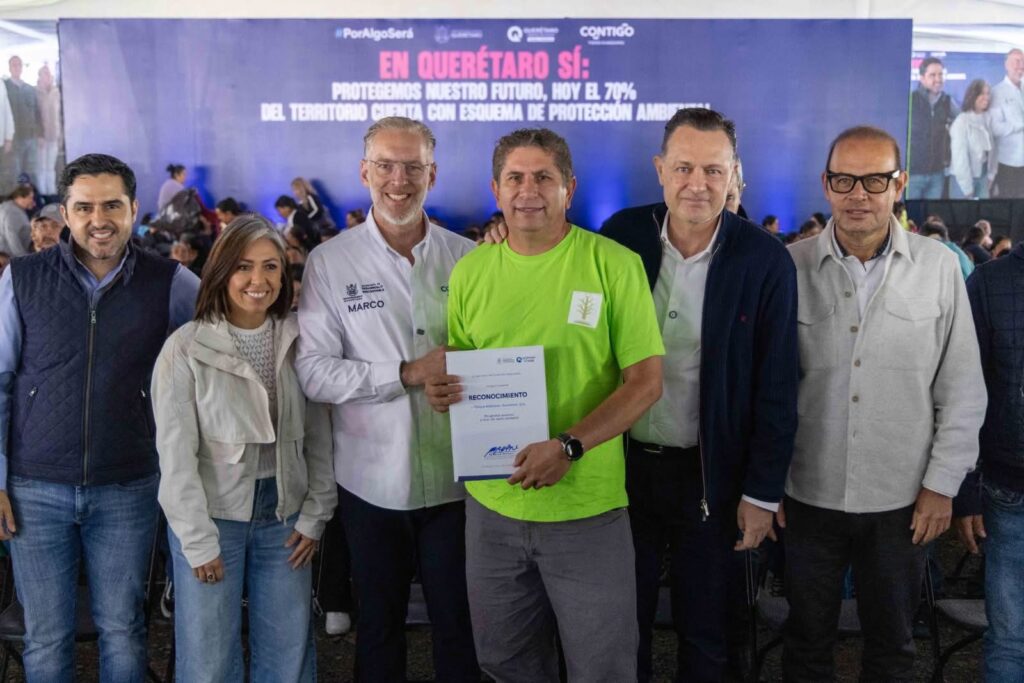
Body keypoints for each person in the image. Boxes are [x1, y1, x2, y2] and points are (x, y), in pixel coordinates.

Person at [427, 128, 664, 682]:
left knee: (602, 669)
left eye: (543, 177)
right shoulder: (471, 272)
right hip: (492, 509)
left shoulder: (614, 265)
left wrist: (569, 446)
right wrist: (445, 390)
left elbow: (646, 384)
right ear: (496, 189)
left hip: (586, 513)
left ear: (569, 188)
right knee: (505, 664)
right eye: (515, 178)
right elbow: (465, 369)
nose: (528, 190)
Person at [780, 126, 986, 681]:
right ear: (826, 184)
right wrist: (766, 481)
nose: (858, 194)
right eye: (844, 179)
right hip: (807, 495)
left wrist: (942, 485)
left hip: (903, 500)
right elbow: (768, 389)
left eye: (875, 180)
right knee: (804, 645)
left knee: (893, 647)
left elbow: (962, 388)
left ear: (900, 184)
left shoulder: (938, 267)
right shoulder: (790, 267)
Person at [600, 107, 799, 682]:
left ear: (734, 174)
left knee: (710, 633)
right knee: (618, 626)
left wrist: (762, 493)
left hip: (713, 478)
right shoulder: (620, 237)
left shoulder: (764, 260)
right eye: (684, 167)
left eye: (714, 170)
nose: (698, 183)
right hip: (619, 471)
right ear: (660, 169)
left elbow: (777, 387)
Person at [0, 153, 200, 680]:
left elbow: (217, 352)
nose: (99, 219)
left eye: (112, 205)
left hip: (129, 483)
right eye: (84, 207)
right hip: (34, 487)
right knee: (46, 639)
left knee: (124, 631)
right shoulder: (22, 278)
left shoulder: (171, 281)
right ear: (65, 213)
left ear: (134, 209)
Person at [296, 116, 480, 682]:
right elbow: (314, 374)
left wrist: (471, 378)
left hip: (458, 482)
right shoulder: (330, 262)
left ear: (433, 174)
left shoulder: (470, 258)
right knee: (378, 629)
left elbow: (493, 356)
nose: (398, 180)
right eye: (385, 166)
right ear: (364, 172)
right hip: (371, 483)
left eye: (412, 167)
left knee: (462, 628)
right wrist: (406, 374)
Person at [152, 216, 335, 682]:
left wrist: (315, 515)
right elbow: (175, 458)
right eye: (244, 266)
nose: (259, 279)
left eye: (271, 266)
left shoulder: (301, 339)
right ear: (221, 271)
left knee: (288, 654)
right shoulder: (185, 348)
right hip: (212, 518)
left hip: (286, 516)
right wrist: (197, 541)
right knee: (209, 659)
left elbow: (319, 436)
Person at [954, 241, 1024, 682]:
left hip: (1006, 478)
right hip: (1009, 487)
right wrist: (966, 491)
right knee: (1010, 639)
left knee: (1009, 640)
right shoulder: (989, 282)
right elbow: (963, 391)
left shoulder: (989, 281)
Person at [907, 57, 955, 199]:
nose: (938, 79)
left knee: (932, 212)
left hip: (937, 174)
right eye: (932, 75)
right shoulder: (911, 100)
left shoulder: (947, 102)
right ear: (922, 78)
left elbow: (963, 123)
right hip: (913, 174)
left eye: (940, 74)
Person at [949, 79, 994, 199]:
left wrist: (990, 175)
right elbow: (960, 159)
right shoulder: (961, 121)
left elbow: (992, 151)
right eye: (982, 93)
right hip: (962, 182)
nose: (986, 97)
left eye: (988, 93)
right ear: (973, 95)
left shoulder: (988, 119)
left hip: (982, 178)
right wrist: (967, 188)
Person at [990, 49, 1024, 197]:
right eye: (1017, 61)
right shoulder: (997, 92)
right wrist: (1019, 125)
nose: (1021, 65)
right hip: (1008, 163)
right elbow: (995, 128)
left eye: (1023, 61)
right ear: (1006, 65)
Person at [4, 56, 40, 188]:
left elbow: (36, 112)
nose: (17, 67)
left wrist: (39, 134)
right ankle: (19, 197)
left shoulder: (29, 88)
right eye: (14, 65)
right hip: (14, 139)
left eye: (19, 65)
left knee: (31, 171)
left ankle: (32, 197)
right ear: (9, 68)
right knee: (16, 172)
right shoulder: (5, 88)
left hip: (31, 137)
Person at [34, 65, 60, 198]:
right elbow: (34, 116)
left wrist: (60, 137)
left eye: (49, 74)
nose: (47, 76)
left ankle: (52, 195)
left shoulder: (56, 93)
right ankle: (42, 195)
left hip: (54, 137)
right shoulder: (35, 93)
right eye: (44, 74)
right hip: (41, 138)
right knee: (41, 169)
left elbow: (60, 115)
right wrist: (38, 135)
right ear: (39, 76)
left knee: (51, 169)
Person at [0, 183, 34, 257]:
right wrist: (23, 258)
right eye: (30, 198)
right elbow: (12, 238)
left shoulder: (8, 208)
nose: (32, 201)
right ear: (19, 197)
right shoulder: (12, 212)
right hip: (9, 256)